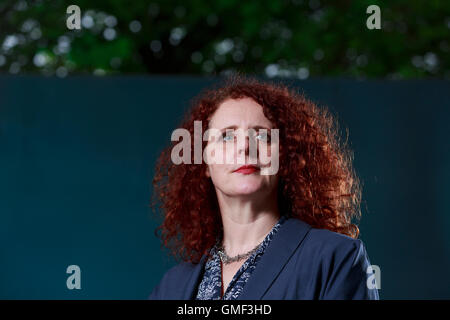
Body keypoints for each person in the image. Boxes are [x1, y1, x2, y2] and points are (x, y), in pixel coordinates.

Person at [148, 74, 379, 300]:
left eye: (263, 136)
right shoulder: (173, 286)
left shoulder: (336, 258)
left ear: (285, 156)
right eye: (227, 137)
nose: (245, 147)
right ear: (204, 162)